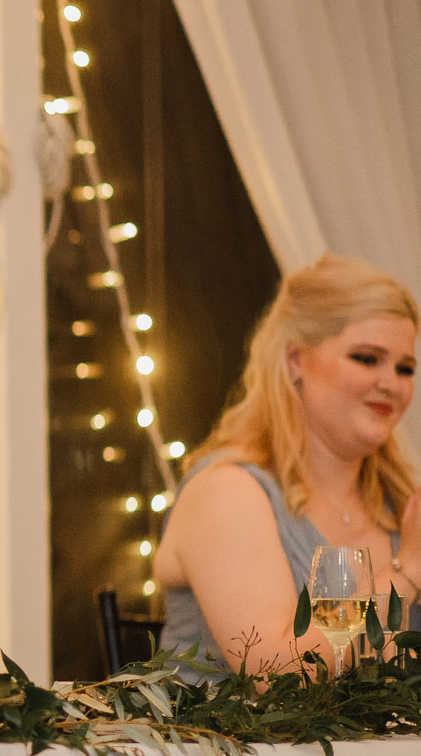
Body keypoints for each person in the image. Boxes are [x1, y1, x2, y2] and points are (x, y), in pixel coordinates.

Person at [156, 253, 419, 674]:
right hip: (231, 741)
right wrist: (410, 570)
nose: (391, 384)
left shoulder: (401, 506)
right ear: (296, 359)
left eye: (405, 367)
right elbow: (278, 675)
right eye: (367, 358)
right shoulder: (226, 491)